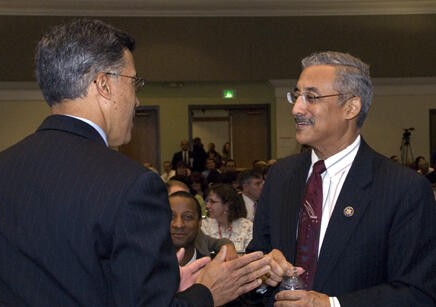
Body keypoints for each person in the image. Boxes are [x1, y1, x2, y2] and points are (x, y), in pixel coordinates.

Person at [0, 19, 272, 306]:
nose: (137, 100)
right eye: (135, 83)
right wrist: (206, 293)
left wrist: (163, 289)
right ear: (104, 85)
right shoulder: (132, 185)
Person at [247, 51, 436, 306]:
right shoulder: (281, 176)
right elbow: (256, 258)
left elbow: (417, 293)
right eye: (297, 96)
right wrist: (263, 273)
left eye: (311, 97)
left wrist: (331, 304)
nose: (296, 109)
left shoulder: (403, 189)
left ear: (350, 107)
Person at [169, 191, 237, 266]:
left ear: (199, 223)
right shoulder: (154, 266)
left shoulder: (211, 268)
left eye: (187, 217)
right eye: (170, 217)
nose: (178, 225)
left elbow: (218, 243)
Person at [202, 184, 253, 254]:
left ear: (227, 205)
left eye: (212, 202)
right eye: (207, 201)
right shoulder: (204, 226)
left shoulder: (247, 226)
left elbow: (251, 256)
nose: (207, 206)